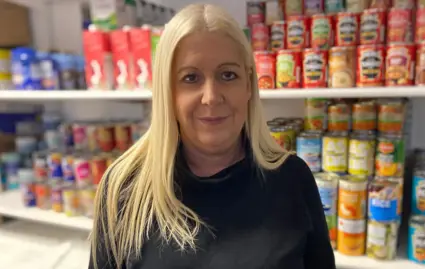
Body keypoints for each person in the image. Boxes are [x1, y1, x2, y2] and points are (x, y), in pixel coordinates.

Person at [89, 3, 335, 269]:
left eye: (228, 75)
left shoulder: (293, 178)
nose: (211, 97)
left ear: (249, 85)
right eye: (191, 78)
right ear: (167, 91)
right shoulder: (123, 189)